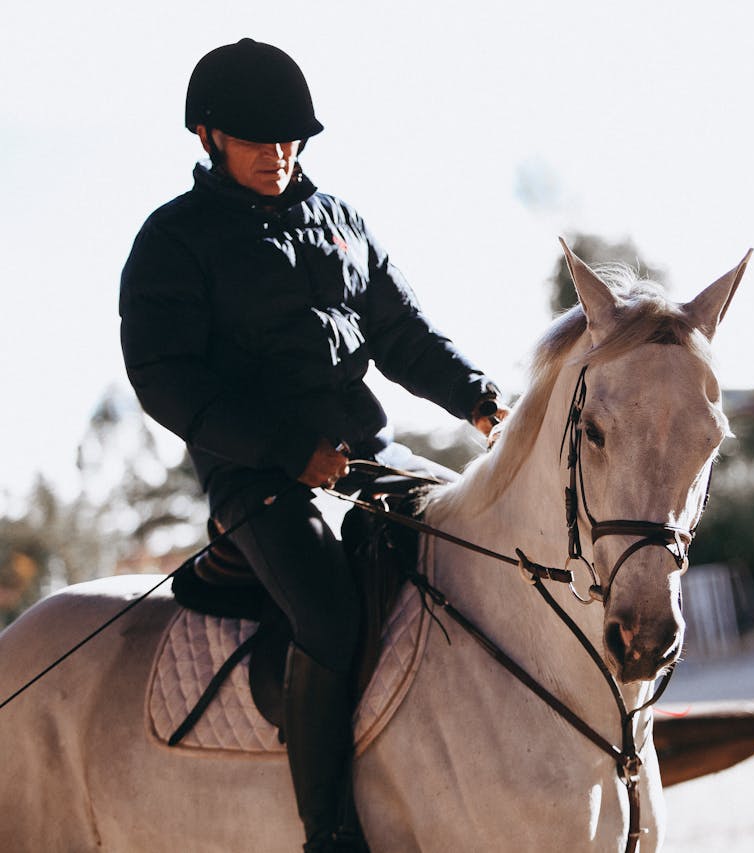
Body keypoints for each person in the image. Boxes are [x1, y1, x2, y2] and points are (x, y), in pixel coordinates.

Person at [119, 38, 506, 853]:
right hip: (256, 476)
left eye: (292, 139)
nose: (280, 154)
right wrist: (288, 448)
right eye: (260, 140)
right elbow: (165, 379)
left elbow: (401, 334)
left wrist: (476, 396)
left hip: (369, 457)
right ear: (208, 138)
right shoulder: (173, 242)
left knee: (477, 541)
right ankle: (327, 827)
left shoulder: (341, 221)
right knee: (329, 616)